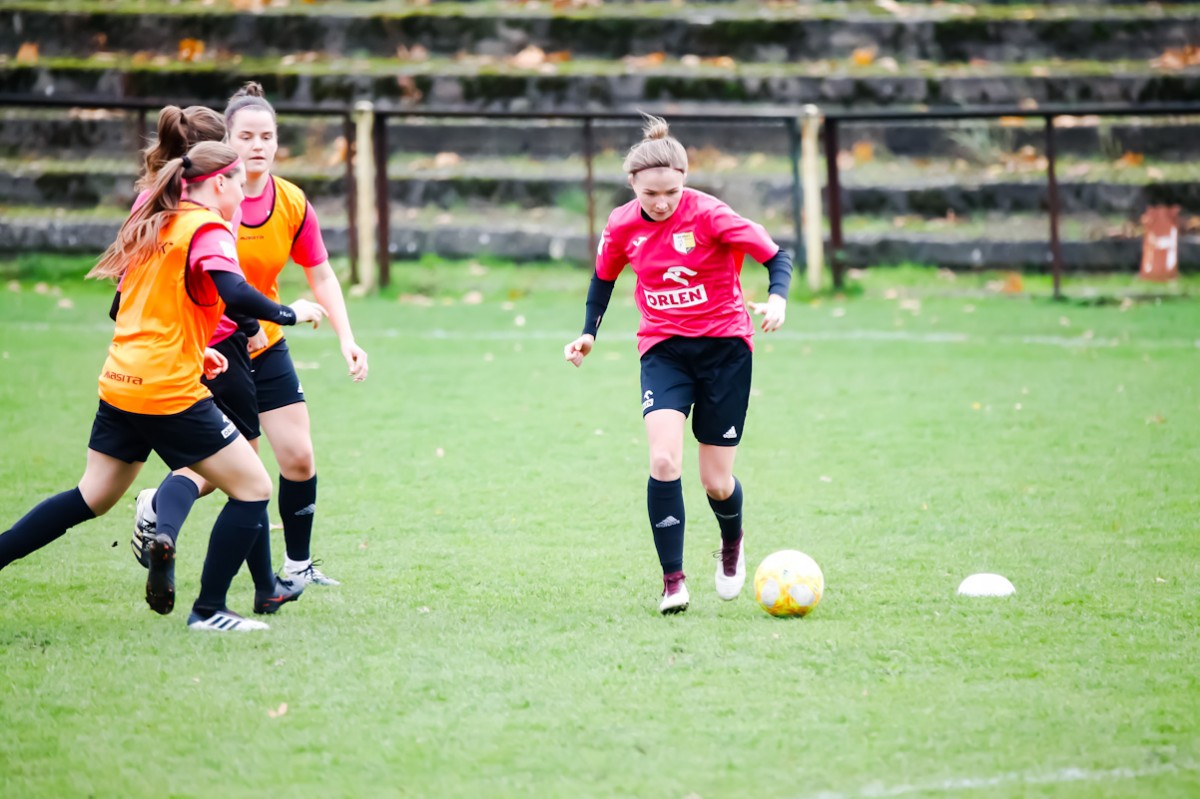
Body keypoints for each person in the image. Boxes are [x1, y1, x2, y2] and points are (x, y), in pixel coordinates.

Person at [0, 141, 326, 631]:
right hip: (165, 391)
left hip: (120, 381)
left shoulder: (158, 220)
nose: (243, 194)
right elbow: (234, 292)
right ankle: (209, 610)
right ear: (219, 183)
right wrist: (289, 313)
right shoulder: (207, 227)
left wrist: (195, 350)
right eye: (239, 184)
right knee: (254, 487)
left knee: (93, 495)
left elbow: (134, 307)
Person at [132, 82, 368, 597]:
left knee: (298, 457)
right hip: (219, 346)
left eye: (267, 136)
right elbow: (217, 288)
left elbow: (321, 274)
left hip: (267, 343)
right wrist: (257, 323)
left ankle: (296, 568)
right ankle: (167, 517)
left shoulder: (291, 201)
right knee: (234, 468)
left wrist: (346, 338)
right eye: (246, 136)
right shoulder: (206, 203)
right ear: (225, 142)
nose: (258, 145)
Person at [563, 115, 793, 615]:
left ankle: (731, 542)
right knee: (664, 461)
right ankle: (673, 582)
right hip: (664, 349)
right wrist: (588, 333)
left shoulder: (711, 215)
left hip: (725, 350)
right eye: (650, 193)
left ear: (685, 179)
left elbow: (778, 257)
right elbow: (603, 279)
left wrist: (777, 299)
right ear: (632, 184)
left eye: (671, 191)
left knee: (716, 482)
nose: (662, 202)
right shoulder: (622, 224)